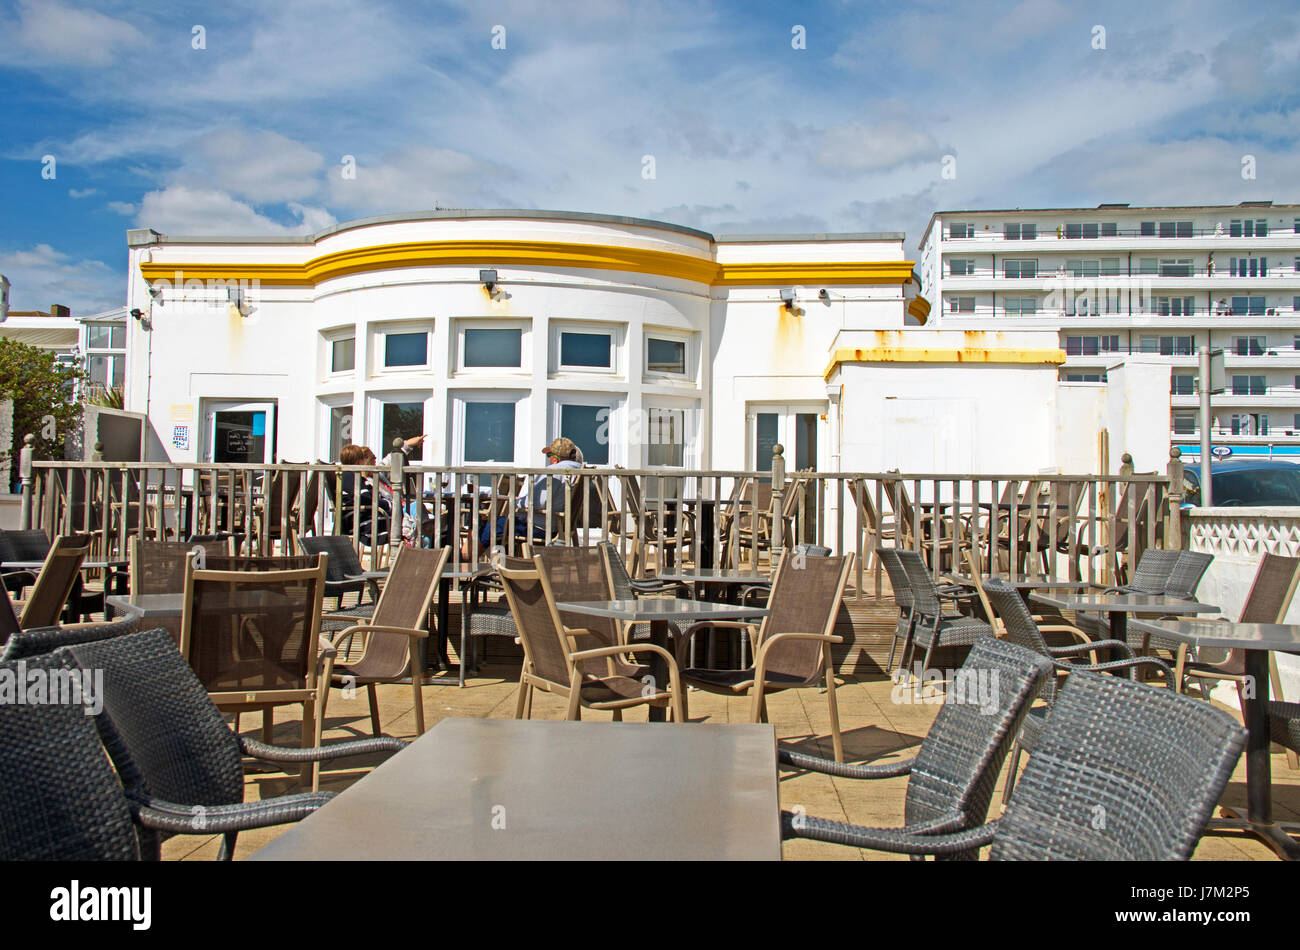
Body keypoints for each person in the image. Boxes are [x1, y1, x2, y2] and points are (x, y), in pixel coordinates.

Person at [475, 436, 583, 551]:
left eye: (549, 456)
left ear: (555, 459)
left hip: (538, 527)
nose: (549, 460)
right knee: (499, 526)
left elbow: (536, 503)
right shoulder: (577, 473)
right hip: (558, 527)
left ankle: (468, 560)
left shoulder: (553, 472)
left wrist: (516, 502)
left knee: (491, 527)